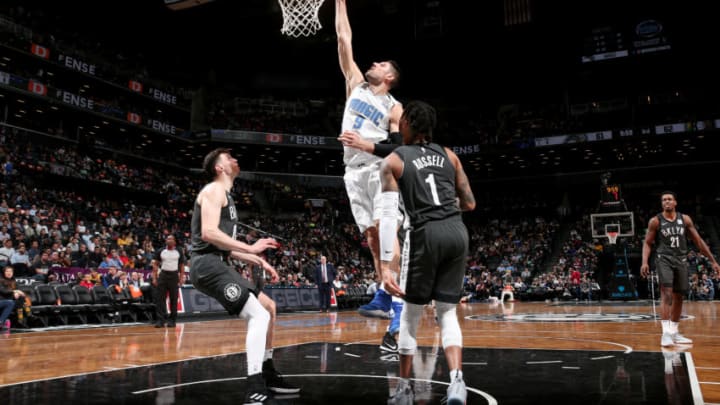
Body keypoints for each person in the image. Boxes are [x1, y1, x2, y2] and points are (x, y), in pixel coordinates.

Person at [378, 100, 476, 404]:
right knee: (447, 313)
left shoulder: (393, 161)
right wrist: (444, 209)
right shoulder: (450, 156)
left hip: (426, 234)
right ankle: (456, 383)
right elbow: (470, 203)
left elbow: (389, 217)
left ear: (407, 123)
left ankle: (404, 389)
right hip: (457, 232)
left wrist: (385, 266)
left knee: (410, 315)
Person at [189, 148, 299, 404]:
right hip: (207, 265)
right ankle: (253, 383)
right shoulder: (213, 190)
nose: (235, 159)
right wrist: (251, 247)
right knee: (257, 314)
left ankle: (267, 369)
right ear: (219, 168)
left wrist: (257, 259)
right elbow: (208, 233)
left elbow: (224, 246)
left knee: (269, 307)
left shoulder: (226, 196)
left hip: (217, 261)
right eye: (229, 158)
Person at [335, 0, 405, 353]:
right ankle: (384, 294)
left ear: (389, 77)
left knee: (386, 229)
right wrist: (340, 4)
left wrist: (364, 143)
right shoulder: (356, 85)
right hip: (352, 173)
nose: (373, 64)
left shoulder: (394, 106)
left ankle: (397, 308)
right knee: (373, 238)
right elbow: (344, 39)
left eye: (380, 64)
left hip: (379, 170)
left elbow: (396, 145)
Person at [640, 191, 720, 347]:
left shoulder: (685, 219)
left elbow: (699, 241)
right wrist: (644, 262)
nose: (667, 202)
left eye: (669, 199)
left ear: (675, 202)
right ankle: (665, 333)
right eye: (664, 200)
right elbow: (648, 243)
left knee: (679, 296)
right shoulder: (655, 221)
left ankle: (674, 332)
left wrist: (713, 261)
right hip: (664, 259)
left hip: (681, 260)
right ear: (661, 203)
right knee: (666, 293)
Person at [151, 234, 185, 328]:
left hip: (174, 276)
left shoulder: (179, 251)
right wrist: (154, 277)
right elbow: (155, 265)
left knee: (174, 299)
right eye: (167, 238)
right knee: (160, 299)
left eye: (170, 239)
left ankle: (172, 321)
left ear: (174, 241)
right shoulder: (161, 250)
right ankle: (160, 320)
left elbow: (181, 266)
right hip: (163, 275)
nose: (168, 240)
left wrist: (181, 278)